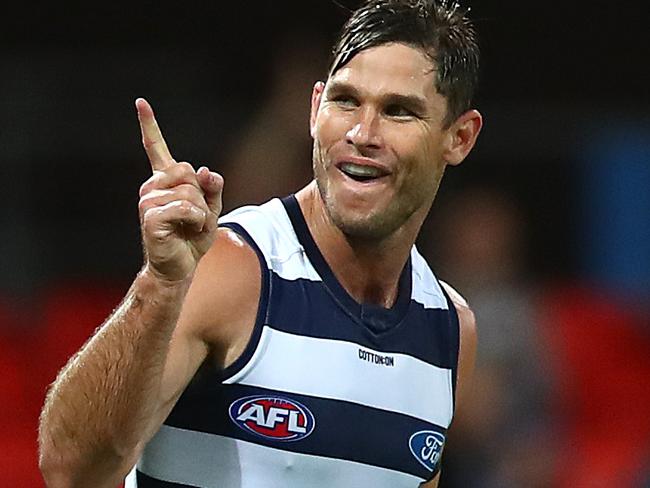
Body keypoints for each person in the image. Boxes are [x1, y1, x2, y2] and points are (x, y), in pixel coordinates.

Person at [38, 1, 483, 487]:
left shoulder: (448, 330)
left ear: (459, 138)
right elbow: (70, 470)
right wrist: (161, 285)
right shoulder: (232, 268)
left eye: (398, 111)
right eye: (346, 101)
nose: (361, 133)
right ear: (315, 109)